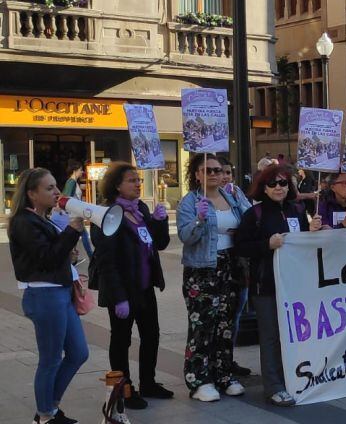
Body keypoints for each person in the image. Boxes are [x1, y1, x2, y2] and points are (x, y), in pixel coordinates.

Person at [234, 165, 321, 407]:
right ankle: (273, 386)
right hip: (267, 285)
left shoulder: (297, 209)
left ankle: (292, 378)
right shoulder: (255, 215)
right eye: (272, 184)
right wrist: (266, 245)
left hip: (294, 285)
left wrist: (311, 231)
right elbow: (241, 247)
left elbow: (301, 244)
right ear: (263, 188)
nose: (279, 188)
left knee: (292, 335)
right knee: (271, 336)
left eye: (283, 183)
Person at [8, 168, 90, 424]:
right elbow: (47, 257)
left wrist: (69, 252)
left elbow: (55, 254)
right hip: (44, 295)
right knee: (51, 358)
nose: (56, 192)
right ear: (32, 193)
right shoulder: (24, 221)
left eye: (56, 186)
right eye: (49, 188)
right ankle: (45, 415)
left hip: (59, 293)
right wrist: (73, 231)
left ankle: (49, 407)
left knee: (79, 353)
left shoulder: (42, 218)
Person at [90, 163, 172, 409]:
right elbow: (106, 260)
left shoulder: (140, 208)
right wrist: (119, 297)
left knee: (151, 335)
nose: (138, 184)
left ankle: (149, 382)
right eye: (131, 180)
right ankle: (124, 389)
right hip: (122, 290)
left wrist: (159, 221)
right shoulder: (106, 214)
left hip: (145, 286)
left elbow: (160, 243)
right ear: (116, 185)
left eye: (138, 179)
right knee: (121, 340)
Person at [176, 154, 250, 402]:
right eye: (207, 170)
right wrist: (199, 219)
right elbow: (186, 236)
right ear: (197, 174)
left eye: (218, 170)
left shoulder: (232, 197)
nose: (215, 174)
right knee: (203, 326)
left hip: (231, 266)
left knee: (226, 324)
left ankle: (223, 374)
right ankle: (200, 380)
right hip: (203, 269)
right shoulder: (190, 201)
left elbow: (249, 221)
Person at [217, 156, 253, 377]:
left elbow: (249, 215)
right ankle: (215, 360)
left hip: (238, 261)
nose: (224, 176)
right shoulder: (201, 198)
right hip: (216, 263)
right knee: (218, 316)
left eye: (228, 172)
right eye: (219, 172)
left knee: (236, 314)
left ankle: (228, 358)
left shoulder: (236, 192)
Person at [61, 160, 93, 258]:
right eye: (80, 170)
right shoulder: (72, 182)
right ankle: (91, 257)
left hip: (75, 215)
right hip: (74, 216)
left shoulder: (72, 182)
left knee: (80, 237)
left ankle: (72, 256)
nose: (82, 172)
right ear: (75, 171)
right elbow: (66, 198)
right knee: (83, 237)